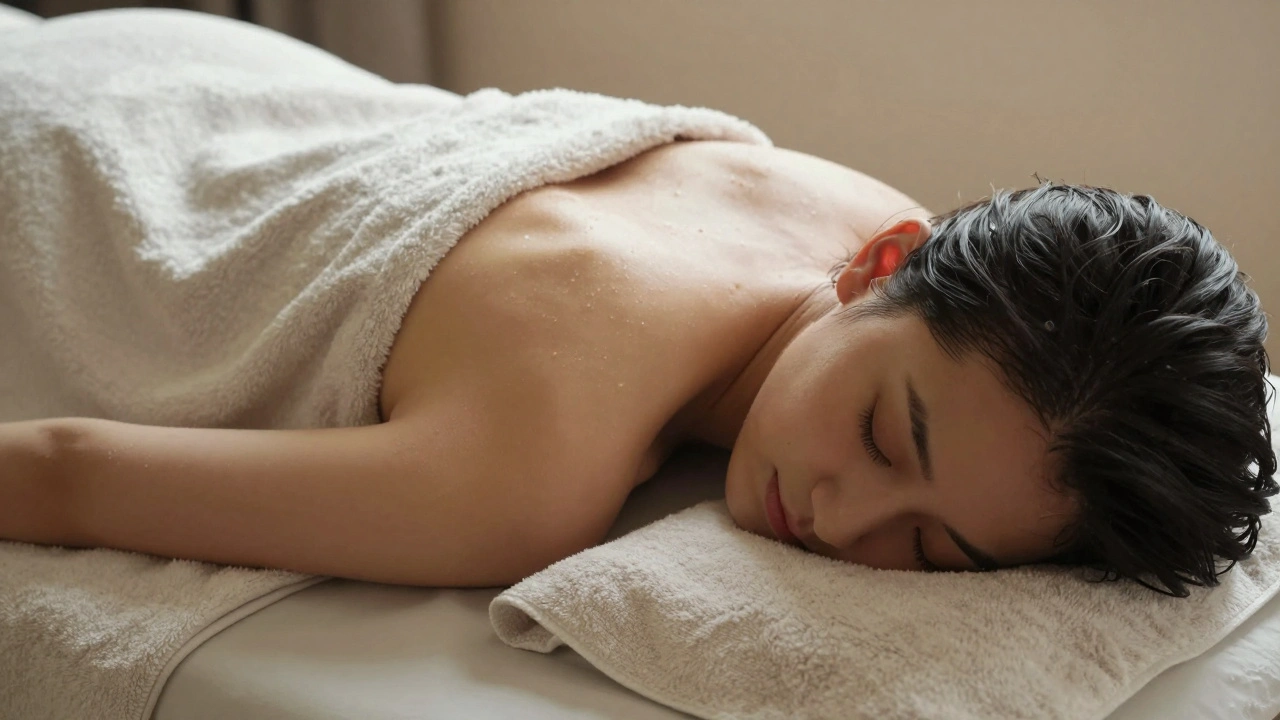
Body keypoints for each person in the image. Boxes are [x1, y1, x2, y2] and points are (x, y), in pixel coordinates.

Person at [1, 17, 1274, 600]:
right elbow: (59, 474)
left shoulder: (867, 216)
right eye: (889, 441)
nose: (843, 517)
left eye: (934, 553)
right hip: (56, 180)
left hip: (174, 57)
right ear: (881, 267)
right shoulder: (522, 476)